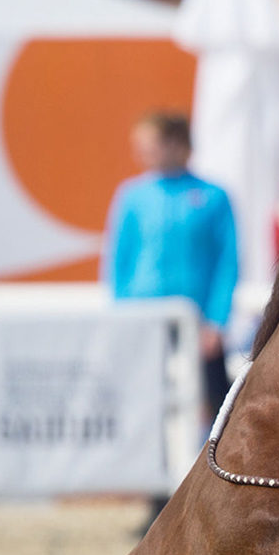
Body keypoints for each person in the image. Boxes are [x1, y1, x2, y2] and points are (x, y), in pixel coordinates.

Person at [102, 112, 239, 419]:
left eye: (151, 144)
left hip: (196, 321)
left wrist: (217, 320)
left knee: (214, 410)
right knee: (142, 407)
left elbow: (227, 263)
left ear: (177, 144)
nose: (141, 153)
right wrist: (120, 314)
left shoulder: (213, 196)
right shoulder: (132, 196)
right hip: (143, 317)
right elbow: (118, 261)